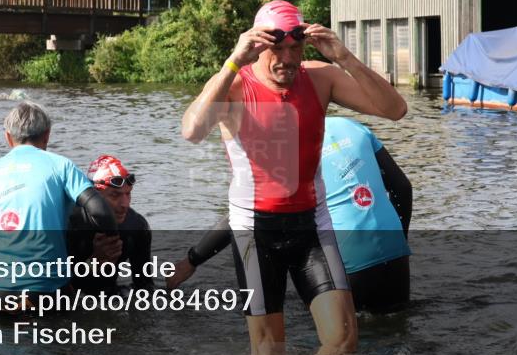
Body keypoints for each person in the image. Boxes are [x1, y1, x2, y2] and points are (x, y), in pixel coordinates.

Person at [180, 0, 407, 355]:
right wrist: (233, 61)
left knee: (344, 342)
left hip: (312, 225)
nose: (287, 58)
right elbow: (192, 130)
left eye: (294, 48)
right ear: (258, 46)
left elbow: (395, 110)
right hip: (255, 231)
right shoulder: (235, 85)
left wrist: (344, 57)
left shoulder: (320, 78)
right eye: (277, 48)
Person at [169, 117, 412, 314]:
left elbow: (244, 216)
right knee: (394, 328)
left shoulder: (286, 149)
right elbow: (402, 187)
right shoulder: (352, 126)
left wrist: (191, 260)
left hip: (348, 259)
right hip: (396, 253)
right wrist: (399, 239)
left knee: (335, 346)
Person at [0, 102, 118, 305]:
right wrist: (109, 244)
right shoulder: (60, 165)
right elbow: (100, 213)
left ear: (8, 137)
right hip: (46, 290)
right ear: (47, 135)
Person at [68, 155, 152, 294]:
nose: (125, 204)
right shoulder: (70, 223)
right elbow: (57, 286)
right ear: (94, 196)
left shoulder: (137, 225)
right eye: (115, 195)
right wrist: (94, 263)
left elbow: (144, 286)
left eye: (128, 194)